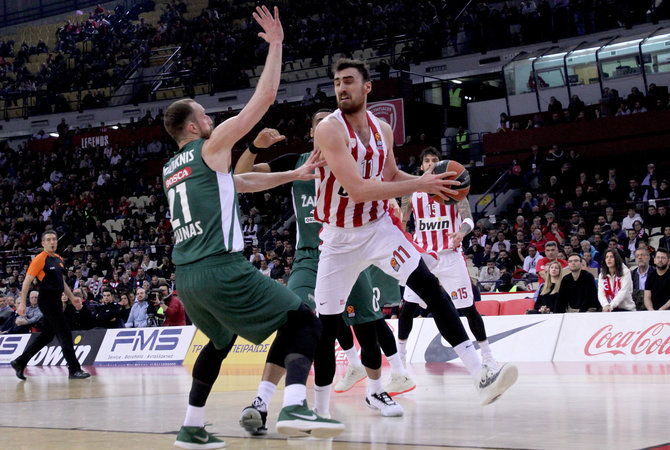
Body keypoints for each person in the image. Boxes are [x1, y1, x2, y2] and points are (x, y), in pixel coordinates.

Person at [163, 7, 343, 447]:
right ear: (193, 126)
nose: (211, 120)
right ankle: (296, 404)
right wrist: (277, 44)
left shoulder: (172, 169)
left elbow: (239, 183)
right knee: (303, 320)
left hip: (186, 278)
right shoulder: (210, 146)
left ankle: (191, 424)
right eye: (205, 117)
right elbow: (262, 100)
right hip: (220, 268)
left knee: (219, 342)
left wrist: (291, 176)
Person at [311, 58, 517, 419]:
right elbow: (358, 190)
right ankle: (320, 411)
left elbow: (389, 174)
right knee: (328, 325)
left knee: (430, 286)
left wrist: (430, 183)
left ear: (367, 87)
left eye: (348, 81)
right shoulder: (329, 130)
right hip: (339, 238)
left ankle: (481, 374)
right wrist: (421, 183)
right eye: (337, 82)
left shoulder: (382, 129)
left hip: (378, 229)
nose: (341, 88)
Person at [234, 118, 414, 435]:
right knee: (293, 321)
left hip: (349, 250)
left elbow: (381, 181)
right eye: (320, 125)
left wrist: (391, 205)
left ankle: (375, 391)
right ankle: (261, 402)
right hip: (309, 256)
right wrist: (254, 147)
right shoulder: (296, 163)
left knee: (368, 324)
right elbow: (240, 175)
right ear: (314, 133)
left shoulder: (355, 161)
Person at [397, 147, 499, 368]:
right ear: (422, 166)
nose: (432, 163)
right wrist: (403, 239)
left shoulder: (454, 188)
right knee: (408, 308)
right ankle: (400, 359)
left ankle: (488, 356)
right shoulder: (411, 192)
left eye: (435, 160)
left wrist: (461, 233)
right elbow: (402, 222)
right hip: (422, 257)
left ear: (441, 164)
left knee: (468, 308)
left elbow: (469, 220)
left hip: (450, 255)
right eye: (427, 160)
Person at [9, 230, 90, 380]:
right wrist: (22, 304)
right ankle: (74, 369)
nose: (52, 242)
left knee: (47, 335)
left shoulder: (58, 259)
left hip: (57, 301)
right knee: (65, 333)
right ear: (43, 243)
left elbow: (62, 282)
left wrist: (72, 297)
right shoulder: (39, 259)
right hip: (47, 301)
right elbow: (27, 282)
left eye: (54, 239)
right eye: (49, 240)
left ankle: (20, 362)